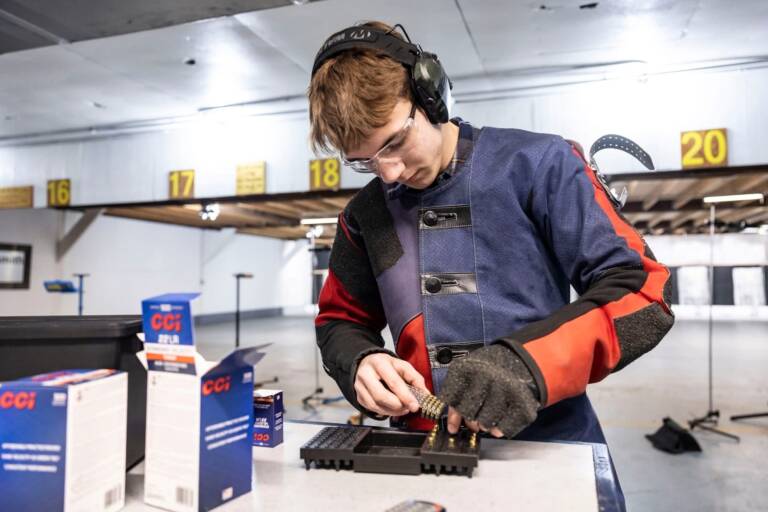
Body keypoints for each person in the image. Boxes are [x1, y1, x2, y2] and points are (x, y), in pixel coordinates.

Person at [308, 19, 674, 473]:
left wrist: (527, 364)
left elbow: (643, 293)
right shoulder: (366, 214)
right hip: (419, 451)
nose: (390, 173)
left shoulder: (539, 165)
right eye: (364, 162)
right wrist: (360, 362)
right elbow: (340, 321)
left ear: (430, 96)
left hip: (548, 446)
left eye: (396, 142)